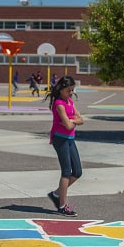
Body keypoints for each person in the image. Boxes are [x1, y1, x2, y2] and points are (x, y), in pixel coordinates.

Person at [45, 75, 83, 216]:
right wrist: (74, 121)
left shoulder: (70, 102)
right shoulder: (59, 104)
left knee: (77, 172)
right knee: (66, 172)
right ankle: (62, 206)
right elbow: (67, 125)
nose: (71, 93)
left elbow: (81, 120)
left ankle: (56, 194)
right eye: (68, 90)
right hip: (60, 139)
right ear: (61, 90)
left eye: (72, 90)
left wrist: (72, 120)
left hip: (70, 139)